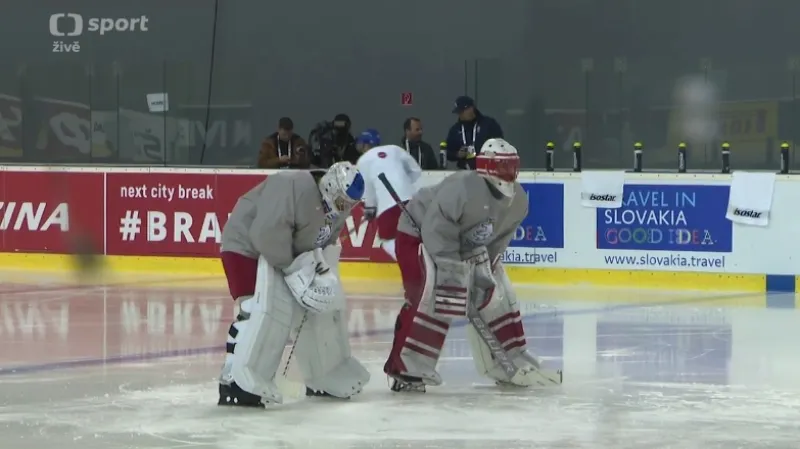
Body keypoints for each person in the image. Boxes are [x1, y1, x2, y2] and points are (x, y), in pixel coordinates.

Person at [382, 138, 562, 392]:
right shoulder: (463, 186)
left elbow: (497, 242)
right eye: (502, 166)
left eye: (512, 166)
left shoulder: (519, 200)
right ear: (486, 166)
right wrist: (452, 271)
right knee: (428, 292)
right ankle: (405, 366)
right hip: (418, 233)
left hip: (461, 246)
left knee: (496, 292)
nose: (508, 173)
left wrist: (480, 272)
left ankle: (508, 358)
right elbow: (437, 229)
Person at [218, 161, 370, 407]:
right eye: (343, 202)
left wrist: (316, 269)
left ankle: (322, 373)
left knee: (304, 314)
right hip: (244, 246)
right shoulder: (292, 186)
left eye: (350, 205)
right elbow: (265, 233)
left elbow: (323, 243)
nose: (345, 209)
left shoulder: (336, 208)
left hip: (281, 254)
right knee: (251, 310)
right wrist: (292, 269)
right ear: (331, 187)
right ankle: (232, 380)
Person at [355, 128, 422, 260]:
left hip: (388, 206)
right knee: (414, 237)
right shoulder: (395, 149)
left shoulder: (362, 161)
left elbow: (367, 188)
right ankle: (422, 262)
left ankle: (412, 263)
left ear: (364, 145)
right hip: (412, 201)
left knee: (387, 241)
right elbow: (416, 171)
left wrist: (370, 208)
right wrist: (404, 186)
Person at [445, 96, 504, 170]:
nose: (460, 115)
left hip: (487, 171)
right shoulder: (456, 129)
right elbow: (447, 152)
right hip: (464, 172)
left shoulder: (488, 124)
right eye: (458, 112)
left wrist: (489, 153)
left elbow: (500, 145)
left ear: (471, 108)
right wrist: (457, 154)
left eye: (462, 111)